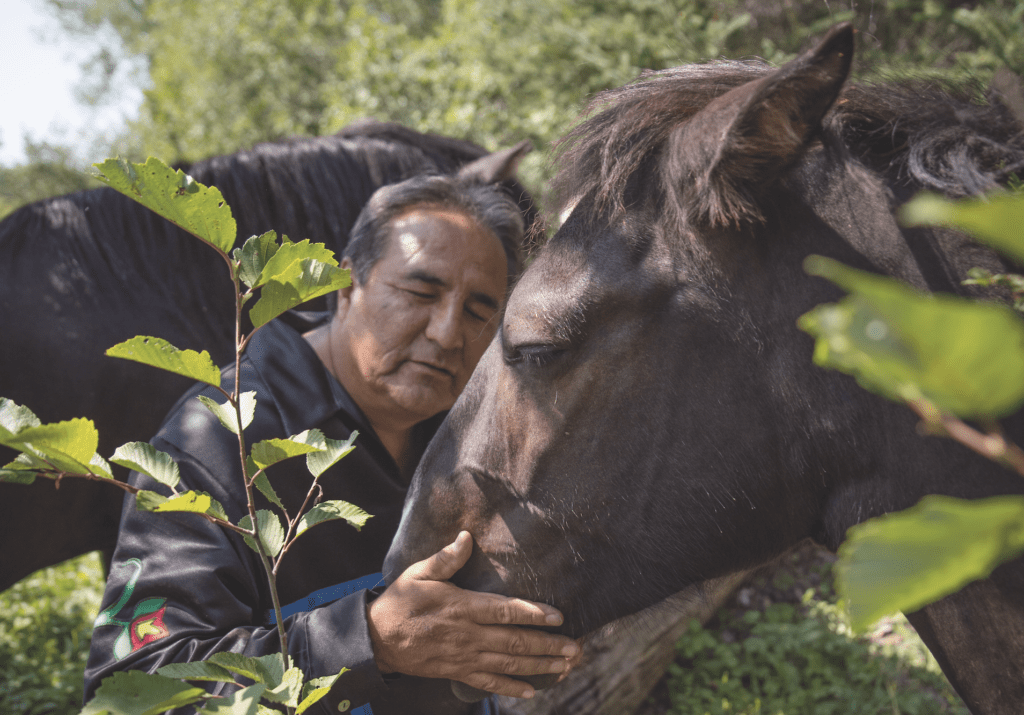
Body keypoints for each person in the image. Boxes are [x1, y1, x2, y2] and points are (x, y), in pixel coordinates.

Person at [84, 172, 579, 715]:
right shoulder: (219, 441)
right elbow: (134, 694)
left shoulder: (473, 428)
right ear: (345, 285)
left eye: (480, 310)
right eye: (420, 291)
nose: (447, 332)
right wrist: (370, 642)